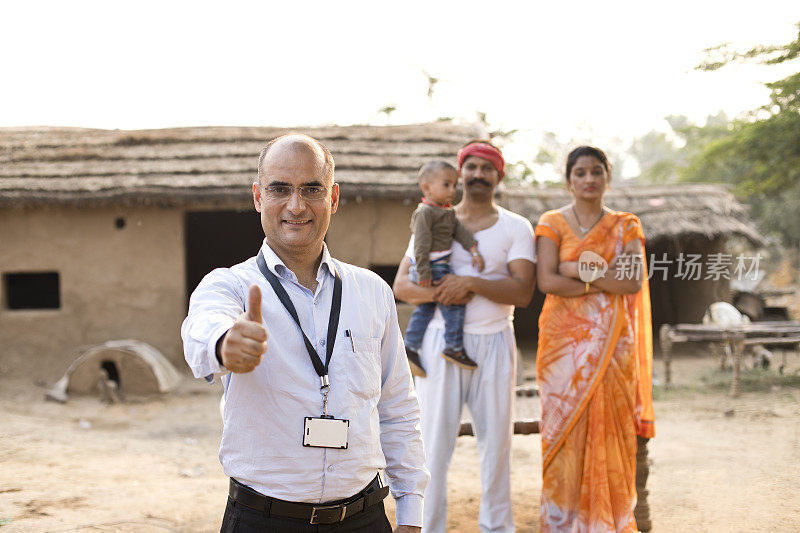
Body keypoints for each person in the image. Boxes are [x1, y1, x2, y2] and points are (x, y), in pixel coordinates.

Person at [182, 134, 429, 533]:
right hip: (262, 521)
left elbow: (398, 406)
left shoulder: (372, 292)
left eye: (311, 190)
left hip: (364, 519)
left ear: (332, 198)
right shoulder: (230, 286)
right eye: (280, 189)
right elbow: (201, 330)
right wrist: (226, 343)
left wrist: (412, 512)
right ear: (258, 197)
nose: (296, 206)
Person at [393, 140, 536, 533]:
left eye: (486, 168)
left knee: (497, 449)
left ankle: (497, 528)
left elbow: (523, 291)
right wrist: (446, 291)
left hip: (495, 342)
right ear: (458, 176)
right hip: (440, 344)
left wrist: (470, 282)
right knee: (433, 450)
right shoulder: (432, 218)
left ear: (498, 176)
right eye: (469, 167)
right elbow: (402, 286)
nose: (476, 174)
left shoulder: (515, 227)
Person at [535, 146, 655, 532]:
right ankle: (562, 522)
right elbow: (547, 280)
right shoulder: (552, 221)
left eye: (596, 172)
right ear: (569, 180)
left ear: (608, 176)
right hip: (561, 349)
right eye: (581, 173)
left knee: (612, 433)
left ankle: (608, 523)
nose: (589, 179)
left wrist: (579, 269)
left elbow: (632, 280)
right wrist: (604, 274)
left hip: (614, 347)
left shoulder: (626, 225)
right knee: (562, 436)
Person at [404, 160, 485, 377]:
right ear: (427, 188)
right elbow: (420, 246)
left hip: (438, 267)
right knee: (455, 303)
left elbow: (461, 232)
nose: (453, 190)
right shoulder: (425, 213)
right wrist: (424, 275)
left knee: (426, 309)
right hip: (431, 268)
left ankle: (409, 347)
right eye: (446, 185)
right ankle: (454, 347)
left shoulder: (447, 212)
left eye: (454, 185)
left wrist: (474, 250)